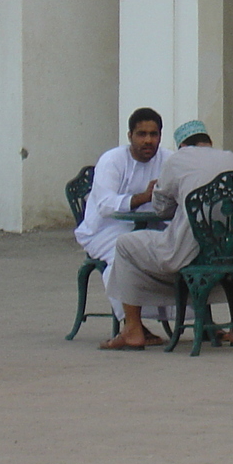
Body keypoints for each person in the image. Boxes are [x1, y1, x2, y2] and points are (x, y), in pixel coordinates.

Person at [100, 120, 233, 350]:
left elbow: (162, 209)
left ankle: (132, 329)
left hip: (190, 253)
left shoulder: (178, 160)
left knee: (125, 245)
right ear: (209, 143)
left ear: (182, 145)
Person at [76, 107, 174, 343]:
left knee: (180, 250)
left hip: (151, 227)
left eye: (154, 134)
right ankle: (132, 325)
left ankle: (197, 320)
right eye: (141, 134)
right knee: (122, 254)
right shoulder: (112, 160)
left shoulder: (168, 160)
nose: (148, 140)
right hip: (104, 230)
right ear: (130, 136)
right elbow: (105, 205)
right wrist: (143, 197)